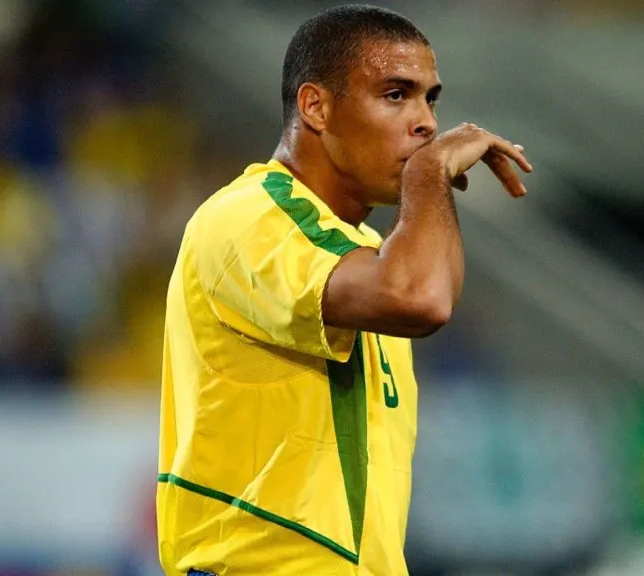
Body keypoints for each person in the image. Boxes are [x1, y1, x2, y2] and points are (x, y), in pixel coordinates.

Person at [156, 4, 532, 575]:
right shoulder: (249, 217)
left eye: (430, 100)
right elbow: (422, 297)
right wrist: (429, 172)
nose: (426, 123)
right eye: (396, 94)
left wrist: (427, 183)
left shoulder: (364, 250)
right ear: (316, 107)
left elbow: (432, 290)